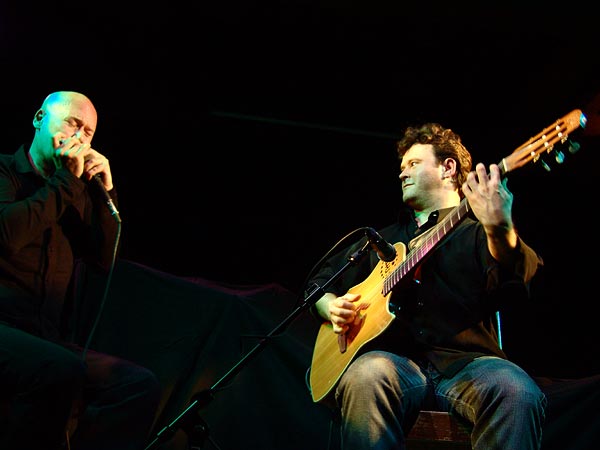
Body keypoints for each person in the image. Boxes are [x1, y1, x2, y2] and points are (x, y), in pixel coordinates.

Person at [308, 122, 547, 449]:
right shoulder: (381, 240)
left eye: (413, 164)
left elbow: (518, 277)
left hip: (467, 363)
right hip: (394, 363)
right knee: (365, 376)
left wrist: (500, 229)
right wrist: (330, 305)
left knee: (517, 391)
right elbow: (318, 285)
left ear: (448, 168)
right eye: (402, 167)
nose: (401, 174)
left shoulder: (477, 232)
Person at [0, 91, 161, 450]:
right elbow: (7, 235)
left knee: (136, 385)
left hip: (44, 340)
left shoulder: (74, 192)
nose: (79, 138)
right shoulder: (5, 171)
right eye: (73, 123)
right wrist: (67, 183)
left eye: (88, 133)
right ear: (40, 118)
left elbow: (105, 261)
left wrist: (108, 191)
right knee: (59, 369)